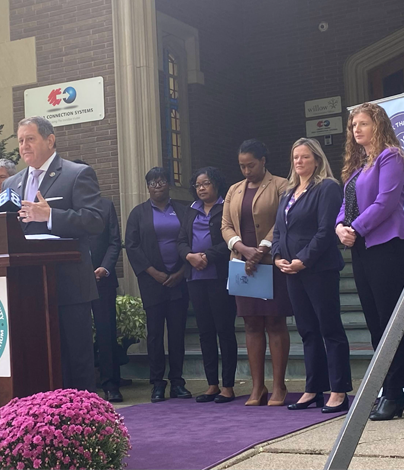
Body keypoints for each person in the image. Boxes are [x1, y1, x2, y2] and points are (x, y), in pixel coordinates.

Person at [2, 117, 104, 392]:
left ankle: (84, 427)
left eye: (30, 139)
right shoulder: (11, 183)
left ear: (50, 140)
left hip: (68, 287)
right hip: (25, 289)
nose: (24, 146)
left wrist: (51, 216)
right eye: (20, 140)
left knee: (76, 363)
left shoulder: (76, 174)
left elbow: (95, 220)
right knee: (33, 364)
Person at [336, 102, 404, 421]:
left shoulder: (390, 156)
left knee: (391, 321)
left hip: (387, 246)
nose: (357, 130)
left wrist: (355, 228)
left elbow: (386, 201)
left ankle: (394, 392)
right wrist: (340, 228)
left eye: (363, 123)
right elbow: (344, 205)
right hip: (362, 248)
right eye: (353, 125)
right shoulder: (357, 166)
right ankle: (389, 390)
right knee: (376, 322)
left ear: (378, 125)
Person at [273, 138, 352, 413]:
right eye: (295, 157)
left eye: (305, 157)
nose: (299, 162)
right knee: (307, 331)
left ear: (316, 159)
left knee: (329, 328)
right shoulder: (288, 192)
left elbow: (324, 230)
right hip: (291, 271)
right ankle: (313, 389)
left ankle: (339, 390)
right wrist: (277, 257)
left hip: (319, 270)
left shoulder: (327, 188)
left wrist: (302, 260)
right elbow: (278, 231)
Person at [221, 140, 293, 406]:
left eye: (251, 165)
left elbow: (283, 222)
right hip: (243, 265)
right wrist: (242, 248)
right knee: (251, 323)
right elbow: (226, 225)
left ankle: (278, 387)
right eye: (242, 166)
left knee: (274, 322)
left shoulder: (282, 185)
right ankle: (257, 388)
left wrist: (261, 249)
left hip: (271, 263)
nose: (246, 171)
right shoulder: (233, 190)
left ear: (264, 160)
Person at [125, 167, 191, 403]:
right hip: (152, 283)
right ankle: (157, 383)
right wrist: (153, 272)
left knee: (176, 333)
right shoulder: (138, 214)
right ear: (148, 187)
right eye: (152, 183)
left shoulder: (183, 211)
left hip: (179, 280)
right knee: (154, 334)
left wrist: (182, 272)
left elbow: (191, 242)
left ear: (168, 184)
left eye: (161, 181)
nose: (157, 185)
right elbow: (131, 246)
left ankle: (177, 382)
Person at [178, 167, 237, 403]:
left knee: (224, 330)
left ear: (216, 185)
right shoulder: (190, 212)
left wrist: (207, 256)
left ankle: (228, 386)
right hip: (195, 279)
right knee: (205, 333)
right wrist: (189, 256)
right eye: (198, 185)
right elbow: (181, 241)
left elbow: (230, 240)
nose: (202, 188)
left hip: (219, 277)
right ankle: (212, 384)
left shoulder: (226, 208)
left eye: (206, 184)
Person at [74, 159, 124, 403]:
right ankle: (80, 388)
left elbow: (115, 241)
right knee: (76, 335)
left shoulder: (105, 206)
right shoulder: (66, 208)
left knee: (106, 333)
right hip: (74, 281)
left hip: (102, 279)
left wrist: (104, 267)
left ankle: (111, 385)